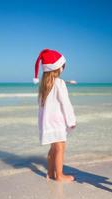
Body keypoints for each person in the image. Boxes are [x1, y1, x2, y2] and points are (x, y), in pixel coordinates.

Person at [33, 49, 76, 182]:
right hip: (58, 122)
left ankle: (51, 173)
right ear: (58, 68)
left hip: (48, 123)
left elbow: (41, 108)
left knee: (53, 149)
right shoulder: (59, 83)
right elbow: (65, 103)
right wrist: (71, 120)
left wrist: (42, 124)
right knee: (60, 148)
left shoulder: (44, 85)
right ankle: (60, 175)